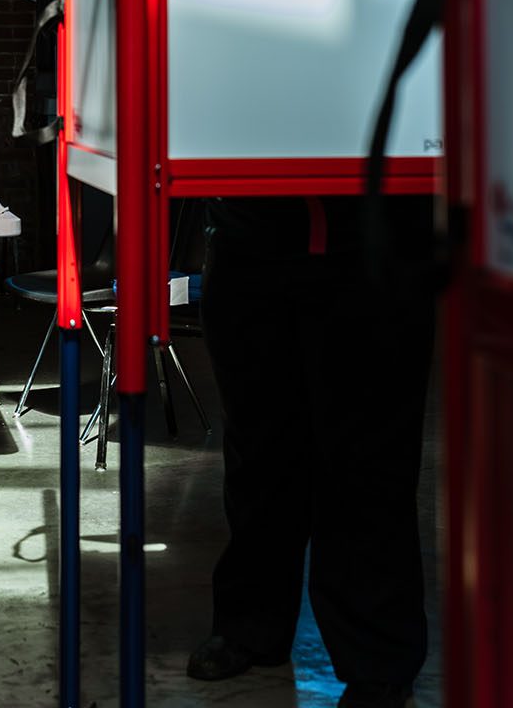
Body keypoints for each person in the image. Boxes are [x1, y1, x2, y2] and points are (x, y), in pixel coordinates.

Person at [188, 193, 439, 708]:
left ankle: (378, 658)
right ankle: (250, 626)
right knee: (258, 450)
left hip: (372, 237)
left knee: (370, 461)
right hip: (250, 236)